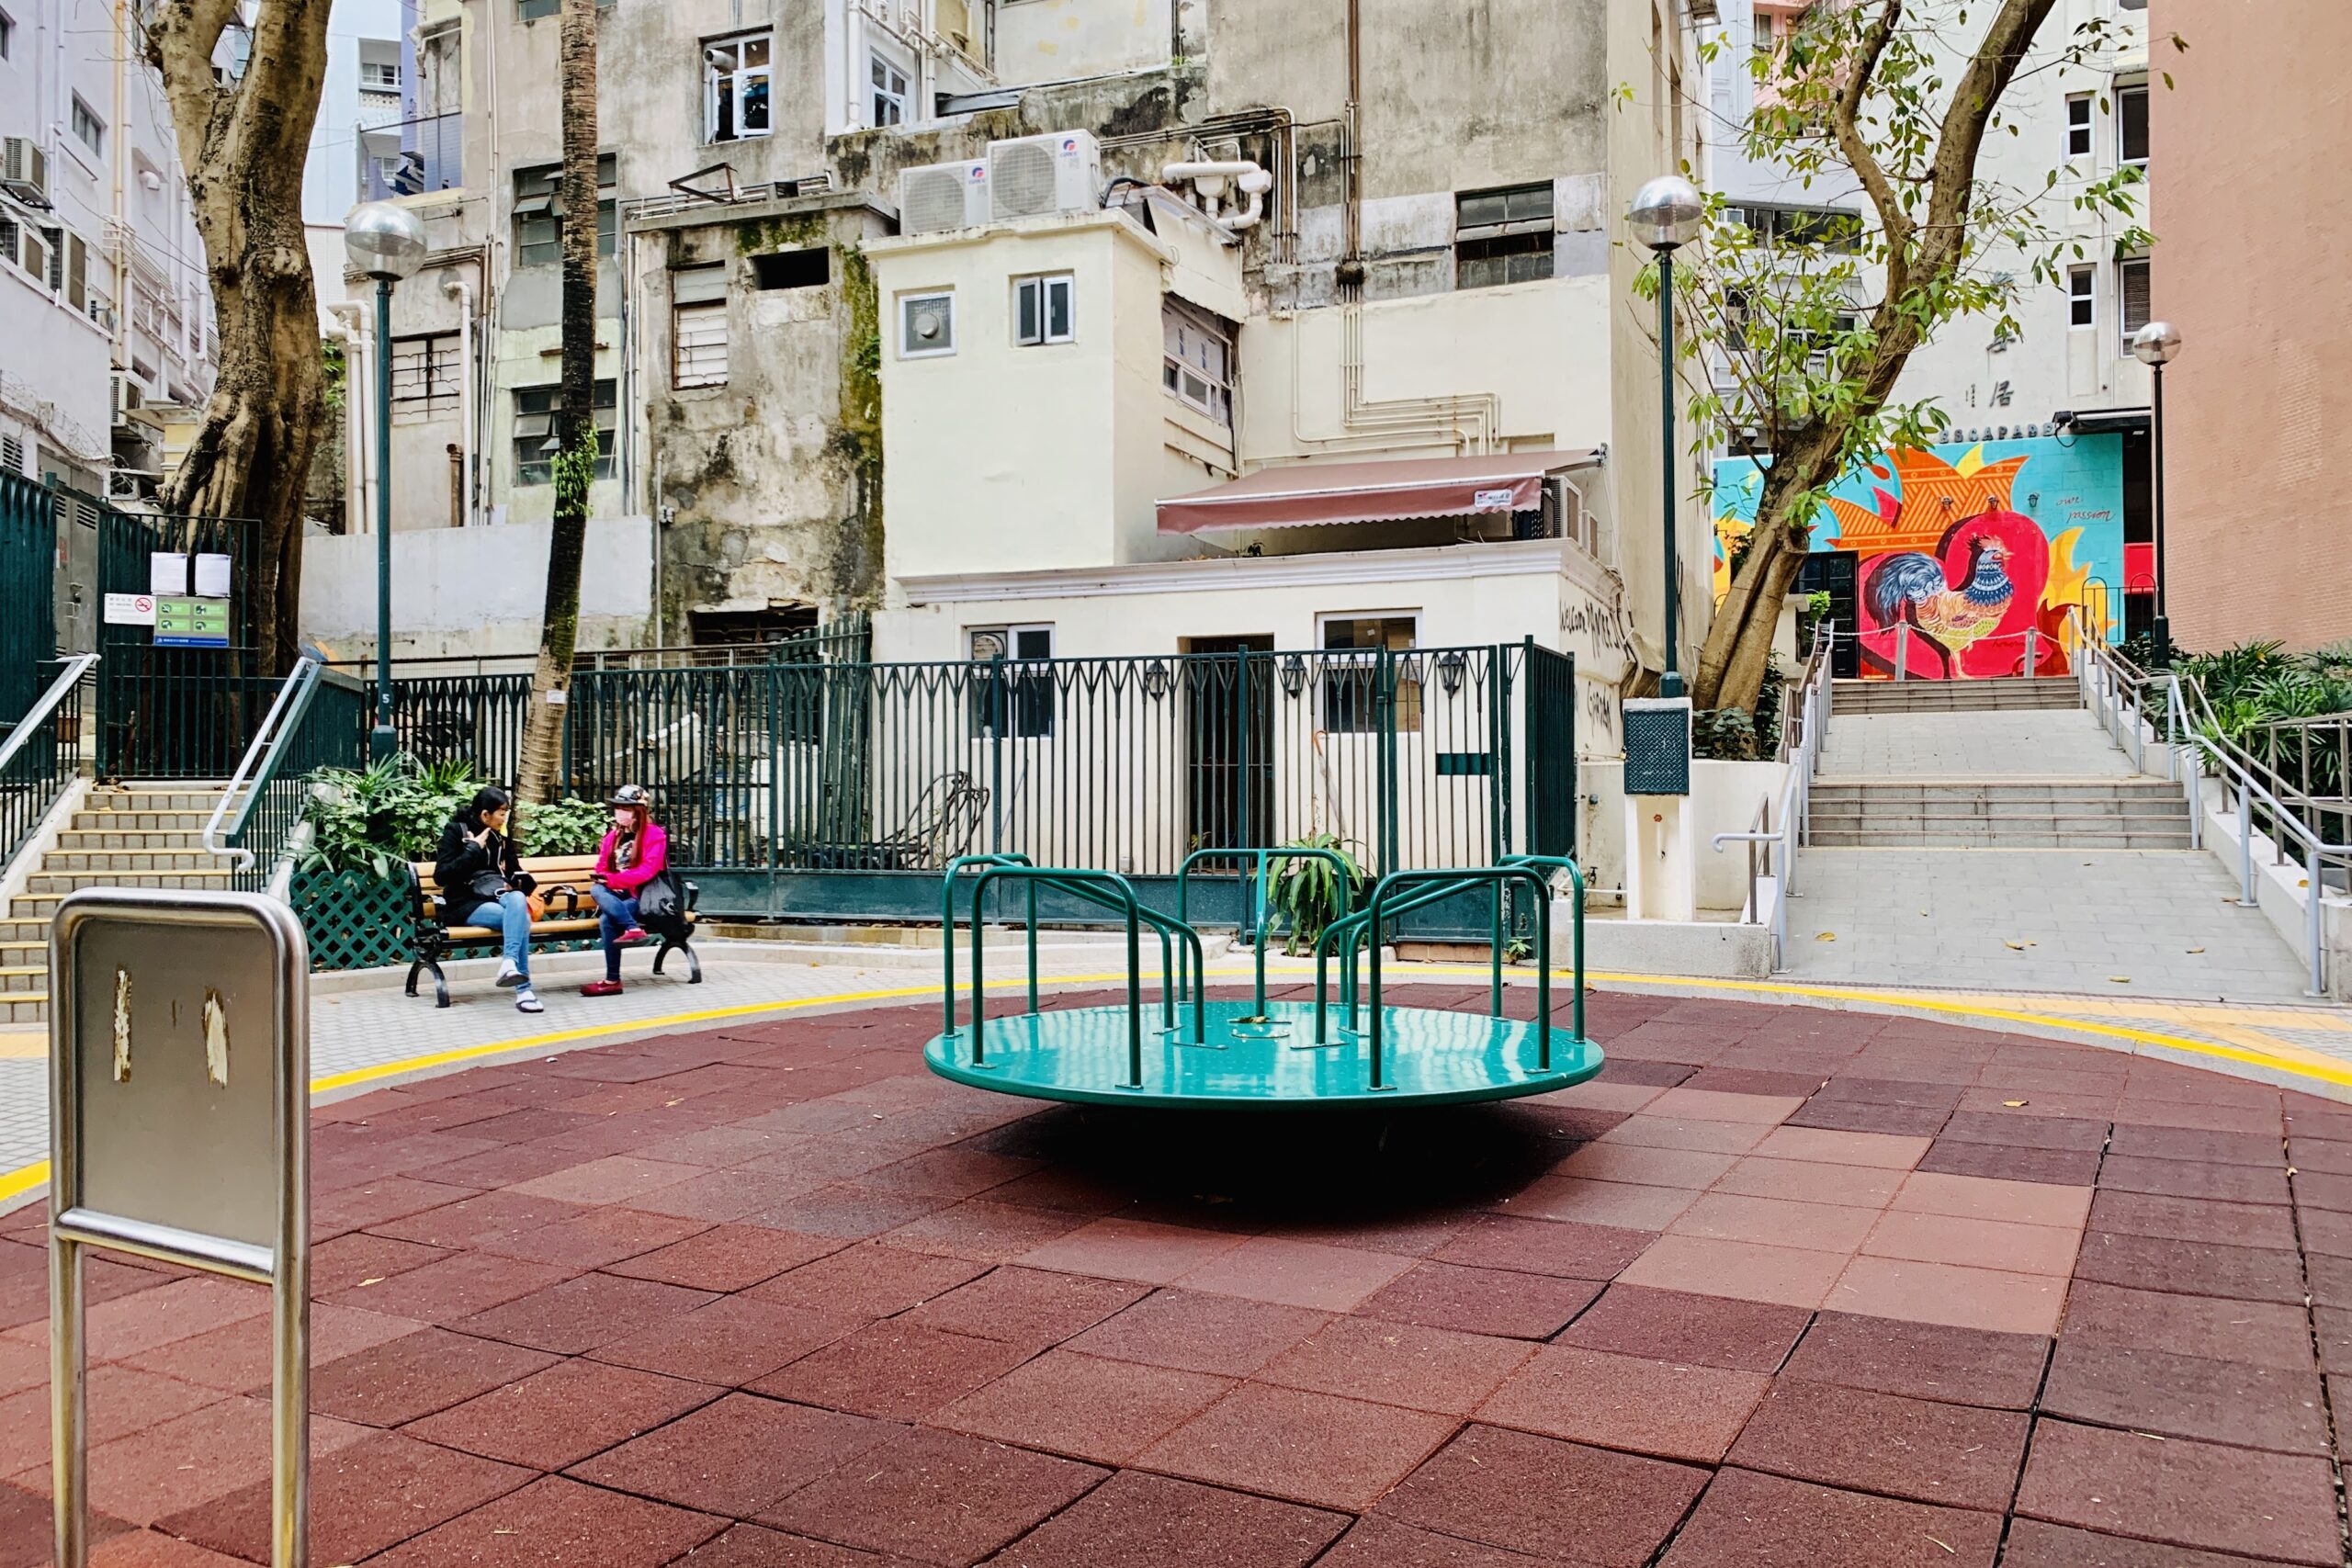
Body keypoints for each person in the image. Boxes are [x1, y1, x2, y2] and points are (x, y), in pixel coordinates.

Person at [434, 785, 543, 1013]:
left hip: (498, 895)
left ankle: (509, 963)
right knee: (520, 920)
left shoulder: (500, 837)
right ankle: (524, 991)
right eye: (501, 813)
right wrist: (473, 849)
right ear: (485, 814)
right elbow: (441, 876)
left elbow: (515, 871)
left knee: (517, 899)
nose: (504, 818)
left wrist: (519, 882)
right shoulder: (456, 831)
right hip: (465, 903)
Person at [581, 784, 668, 998]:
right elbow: (602, 867)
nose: (620, 812)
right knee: (597, 889)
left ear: (639, 811)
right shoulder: (612, 837)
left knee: (607, 920)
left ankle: (612, 981)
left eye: (626, 808)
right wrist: (607, 880)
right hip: (614, 892)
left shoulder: (655, 835)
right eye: (618, 807)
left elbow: (647, 871)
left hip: (641, 895)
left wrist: (614, 881)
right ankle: (632, 928)